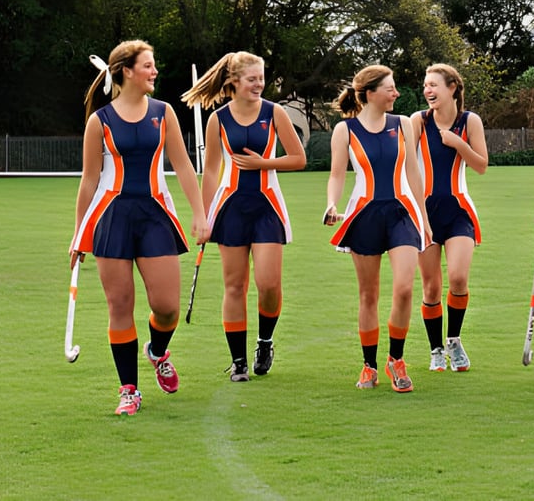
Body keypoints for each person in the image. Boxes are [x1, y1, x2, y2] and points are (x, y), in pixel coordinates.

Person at [70, 40, 207, 416]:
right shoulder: (99, 121)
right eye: (148, 65)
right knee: (120, 306)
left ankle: (158, 351)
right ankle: (128, 389)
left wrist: (200, 214)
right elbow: (89, 181)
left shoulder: (164, 114)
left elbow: (182, 166)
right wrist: (78, 234)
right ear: (127, 71)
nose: (155, 71)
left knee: (166, 308)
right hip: (111, 218)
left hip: (155, 215)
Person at [181, 52, 306, 382]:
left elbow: (298, 159)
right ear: (234, 82)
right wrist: (204, 217)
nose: (259, 84)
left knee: (268, 284)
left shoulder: (274, 112)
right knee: (234, 286)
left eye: (261, 78)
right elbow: (210, 172)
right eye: (252, 79)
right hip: (231, 209)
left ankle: (264, 342)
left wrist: (264, 164)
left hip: (267, 208)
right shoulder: (218, 119)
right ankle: (238, 362)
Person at [324, 65, 430, 393]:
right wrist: (331, 203)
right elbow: (337, 174)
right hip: (364, 214)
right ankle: (369, 365)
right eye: (390, 88)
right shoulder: (345, 130)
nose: (396, 93)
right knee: (368, 294)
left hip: (402, 214)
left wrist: (424, 220)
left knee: (404, 289)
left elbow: (414, 174)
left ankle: (396, 360)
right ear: (370, 94)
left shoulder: (403, 125)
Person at [410, 64, 488, 372]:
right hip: (424, 212)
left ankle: (454, 341)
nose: (427, 91)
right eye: (425, 86)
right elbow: (404, 162)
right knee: (431, 287)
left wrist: (459, 143)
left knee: (457, 278)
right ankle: (436, 349)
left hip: (458, 211)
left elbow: (481, 165)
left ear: (452, 87)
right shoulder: (418, 121)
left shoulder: (470, 121)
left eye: (433, 85)